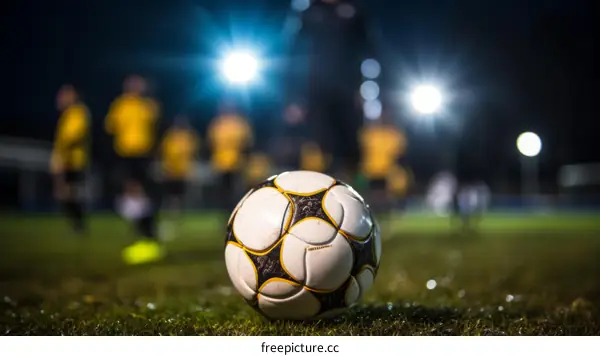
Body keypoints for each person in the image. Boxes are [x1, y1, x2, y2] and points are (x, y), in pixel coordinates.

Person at [285, 0, 378, 182]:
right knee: (319, 143)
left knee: (350, 143)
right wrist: (293, 97)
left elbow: (370, 50)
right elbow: (294, 52)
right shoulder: (307, 11)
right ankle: (318, 194)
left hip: (348, 89)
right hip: (315, 91)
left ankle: (350, 192)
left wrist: (366, 89)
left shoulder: (355, 10)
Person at [105, 75, 162, 264]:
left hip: (144, 154)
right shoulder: (120, 105)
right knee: (131, 191)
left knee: (145, 192)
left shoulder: (147, 105)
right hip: (125, 154)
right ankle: (142, 233)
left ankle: (149, 235)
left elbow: (156, 122)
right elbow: (111, 127)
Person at [50, 85, 90, 236]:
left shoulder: (78, 112)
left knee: (71, 192)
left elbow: (75, 136)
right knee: (64, 192)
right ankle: (76, 225)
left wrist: (62, 154)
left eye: (64, 95)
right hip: (65, 159)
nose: (60, 99)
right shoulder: (66, 115)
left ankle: (78, 225)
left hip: (74, 161)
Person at [207, 100, 253, 214]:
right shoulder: (217, 124)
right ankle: (226, 216)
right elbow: (210, 143)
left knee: (237, 192)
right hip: (220, 164)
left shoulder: (241, 124)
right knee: (223, 194)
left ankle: (237, 214)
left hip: (237, 164)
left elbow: (247, 144)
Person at [159, 115, 199, 240]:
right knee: (170, 195)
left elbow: (193, 152)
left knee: (180, 196)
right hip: (171, 171)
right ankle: (170, 216)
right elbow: (164, 152)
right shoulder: (170, 137)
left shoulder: (188, 137)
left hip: (183, 171)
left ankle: (177, 217)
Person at [358, 116, 407, 214]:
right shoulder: (370, 132)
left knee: (398, 184)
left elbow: (400, 152)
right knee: (373, 192)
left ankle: (390, 208)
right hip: (371, 170)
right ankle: (374, 209)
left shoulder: (394, 134)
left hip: (388, 170)